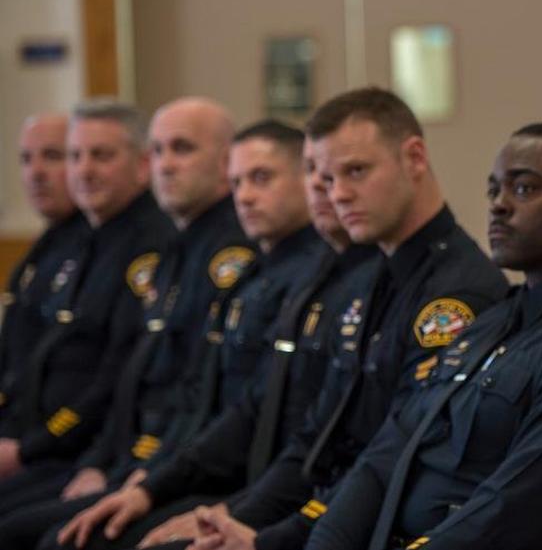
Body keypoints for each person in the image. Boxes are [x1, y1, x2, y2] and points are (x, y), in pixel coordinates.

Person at [197, 123, 542, 550]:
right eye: (493, 190)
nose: (499, 206)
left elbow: (514, 511)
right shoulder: (497, 322)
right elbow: (387, 455)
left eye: (525, 189)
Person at [144, 86, 509, 550]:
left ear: (414, 158)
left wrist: (264, 539)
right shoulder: (373, 278)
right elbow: (316, 437)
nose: (338, 195)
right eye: (326, 178)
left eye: (356, 171)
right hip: (316, 515)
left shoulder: (456, 295)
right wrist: (237, 517)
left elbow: (395, 460)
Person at [62, 137, 382, 549]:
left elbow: (338, 446)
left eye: (261, 178)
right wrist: (147, 478)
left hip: (288, 497)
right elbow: (223, 400)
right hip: (248, 482)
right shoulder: (283, 274)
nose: (245, 196)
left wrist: (242, 516)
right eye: (238, 182)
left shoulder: (340, 282)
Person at [0, 98, 254, 547]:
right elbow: (133, 377)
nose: (166, 165)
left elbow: (199, 392)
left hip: (180, 464)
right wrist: (102, 463)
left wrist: (150, 473)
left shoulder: (222, 254)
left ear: (224, 162)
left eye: (182, 149)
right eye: (158, 151)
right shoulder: (178, 247)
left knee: (39, 534)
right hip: (129, 457)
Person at [0, 101, 177, 513]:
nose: (84, 170)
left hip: (86, 449)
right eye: (76, 156)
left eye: (101, 156)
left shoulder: (148, 245)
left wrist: (28, 449)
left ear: (140, 166)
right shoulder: (79, 241)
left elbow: (115, 378)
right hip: (50, 442)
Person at [1, 114, 89, 428]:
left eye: (53, 156)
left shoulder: (96, 248)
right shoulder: (44, 248)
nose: (36, 173)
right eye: (26, 159)